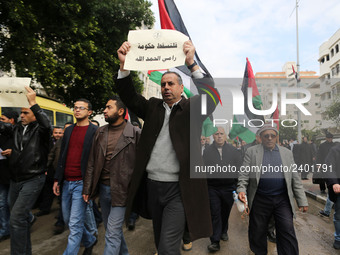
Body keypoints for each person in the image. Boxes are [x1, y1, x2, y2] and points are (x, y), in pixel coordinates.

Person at [116, 40, 218, 254]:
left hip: (178, 190)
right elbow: (129, 97)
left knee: (167, 247)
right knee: (160, 240)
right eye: (163, 84)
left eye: (171, 84)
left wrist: (192, 64)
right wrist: (124, 67)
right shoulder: (152, 106)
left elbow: (211, 99)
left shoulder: (191, 109)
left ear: (182, 88)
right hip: (153, 186)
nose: (166, 88)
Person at [237, 123, 308, 255]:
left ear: (276, 137)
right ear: (260, 137)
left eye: (272, 136)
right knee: (257, 231)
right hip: (260, 199)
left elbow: (295, 179)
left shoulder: (286, 153)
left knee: (287, 229)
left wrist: (302, 200)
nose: (269, 138)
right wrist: (241, 189)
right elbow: (244, 175)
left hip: (282, 199)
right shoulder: (252, 152)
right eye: (266, 136)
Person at [83, 96, 140, 254]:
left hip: (122, 192)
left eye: (109, 107)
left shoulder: (135, 133)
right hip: (103, 190)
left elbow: (142, 166)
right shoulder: (100, 132)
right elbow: (91, 163)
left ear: (121, 111)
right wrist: (87, 189)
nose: (105, 110)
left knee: (112, 233)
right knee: (111, 229)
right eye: (105, 107)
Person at [0, 87, 52, 255]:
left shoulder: (41, 131)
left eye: (26, 113)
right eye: (21, 113)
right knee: (19, 219)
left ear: (34, 115)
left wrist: (33, 103)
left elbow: (46, 124)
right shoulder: (15, 129)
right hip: (15, 180)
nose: (21, 115)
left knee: (15, 219)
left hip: (33, 179)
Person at [53, 99, 98, 255]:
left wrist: (90, 185)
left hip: (81, 183)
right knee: (67, 220)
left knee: (74, 224)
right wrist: (57, 179)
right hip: (66, 182)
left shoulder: (94, 131)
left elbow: (96, 159)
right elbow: (62, 156)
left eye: (81, 108)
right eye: (75, 108)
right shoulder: (69, 130)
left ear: (89, 112)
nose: (77, 110)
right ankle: (90, 240)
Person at [203, 127, 242, 252]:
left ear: (225, 136)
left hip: (229, 188)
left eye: (221, 134)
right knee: (215, 213)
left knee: (225, 212)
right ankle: (215, 241)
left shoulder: (234, 151)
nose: (219, 136)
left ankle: (224, 230)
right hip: (213, 188)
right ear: (213, 136)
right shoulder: (207, 151)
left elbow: (239, 169)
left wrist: (237, 186)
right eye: (216, 134)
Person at [35, 126, 64, 217]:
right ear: (52, 133)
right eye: (56, 132)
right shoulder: (47, 142)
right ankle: (45, 209)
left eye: (60, 133)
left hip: (61, 170)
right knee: (47, 190)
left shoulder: (65, 142)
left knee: (61, 191)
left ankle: (62, 213)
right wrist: (45, 168)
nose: (58, 135)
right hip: (50, 170)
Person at [0, 111, 19, 242]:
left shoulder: (19, 133)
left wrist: (14, 152)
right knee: (2, 203)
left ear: (11, 120)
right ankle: (5, 229)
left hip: (13, 174)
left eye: (3, 119)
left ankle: (28, 218)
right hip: (1, 174)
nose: (0, 121)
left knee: (11, 202)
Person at [325, 143, 340, 250]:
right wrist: (334, 182)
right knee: (339, 215)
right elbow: (328, 167)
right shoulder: (335, 150)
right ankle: (338, 238)